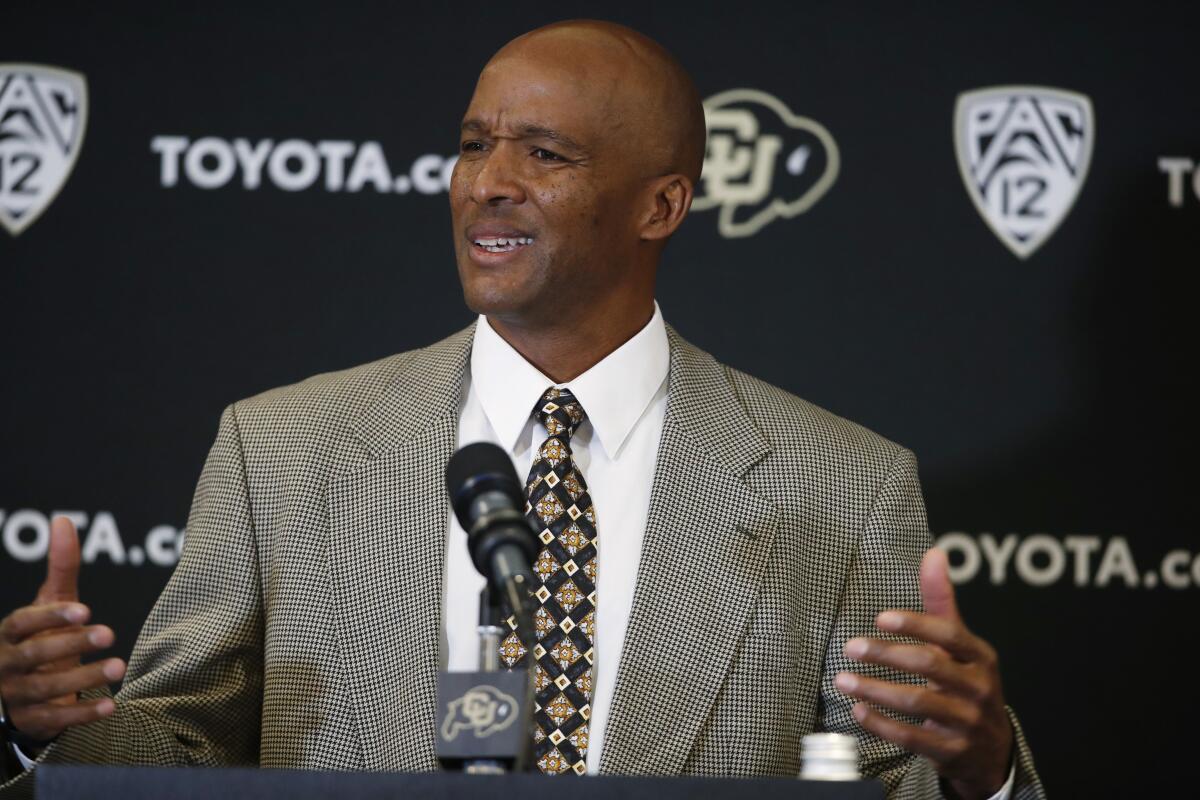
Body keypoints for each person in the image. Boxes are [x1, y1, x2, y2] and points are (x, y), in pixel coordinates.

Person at [0, 20, 1043, 800]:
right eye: (471, 144)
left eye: (543, 154)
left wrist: (980, 766)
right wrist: (51, 730)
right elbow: (177, 750)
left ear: (661, 204)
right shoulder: (283, 448)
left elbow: (889, 778)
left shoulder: (843, 482)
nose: (485, 183)